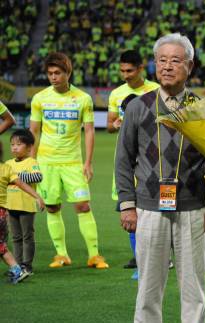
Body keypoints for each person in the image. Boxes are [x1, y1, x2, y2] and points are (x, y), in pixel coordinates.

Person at [115, 33, 205, 323]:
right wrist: (126, 204)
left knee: (194, 287)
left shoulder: (202, 108)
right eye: (161, 60)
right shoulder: (138, 106)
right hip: (148, 208)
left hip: (193, 207)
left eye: (175, 60)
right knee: (149, 286)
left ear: (189, 66)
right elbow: (123, 159)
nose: (166, 66)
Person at [29, 52, 109, 269]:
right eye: (50, 73)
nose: (53, 77)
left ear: (67, 73)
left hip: (73, 163)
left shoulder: (83, 98)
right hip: (47, 163)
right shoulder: (40, 99)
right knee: (52, 207)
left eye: (58, 73)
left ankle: (94, 255)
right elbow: (33, 132)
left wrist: (88, 162)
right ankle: (61, 254)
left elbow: (90, 132)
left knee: (83, 206)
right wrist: (31, 162)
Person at [107, 50, 159, 272]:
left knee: (155, 211)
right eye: (122, 71)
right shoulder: (116, 93)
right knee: (128, 208)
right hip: (127, 158)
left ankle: (159, 257)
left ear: (141, 68)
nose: (125, 75)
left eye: (129, 71)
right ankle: (140, 259)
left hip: (152, 160)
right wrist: (117, 125)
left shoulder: (156, 90)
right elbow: (109, 125)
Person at [0, 139, 45, 284]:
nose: (14, 147)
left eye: (18, 144)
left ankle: (25, 266)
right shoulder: (7, 165)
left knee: (27, 237)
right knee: (15, 238)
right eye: (12, 144)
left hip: (25, 206)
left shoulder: (30, 162)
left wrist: (16, 176)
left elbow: (37, 177)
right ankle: (17, 266)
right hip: (9, 206)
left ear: (29, 147)